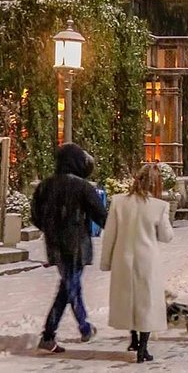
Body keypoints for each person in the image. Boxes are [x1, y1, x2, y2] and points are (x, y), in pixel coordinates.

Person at [31, 142, 107, 354]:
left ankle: (49, 335)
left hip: (55, 244)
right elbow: (100, 215)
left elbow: (35, 216)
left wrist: (51, 228)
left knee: (68, 286)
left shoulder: (45, 186)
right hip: (77, 244)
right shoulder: (82, 186)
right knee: (71, 285)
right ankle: (82, 327)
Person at [101, 163, 174, 363]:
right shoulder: (159, 206)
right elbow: (166, 236)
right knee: (146, 304)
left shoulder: (118, 202)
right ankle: (143, 348)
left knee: (129, 301)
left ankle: (133, 340)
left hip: (122, 259)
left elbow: (110, 235)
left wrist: (106, 261)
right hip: (147, 261)